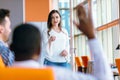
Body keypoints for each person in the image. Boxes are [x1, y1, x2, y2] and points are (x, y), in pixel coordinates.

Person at [10, 4, 113, 80]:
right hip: (50, 62)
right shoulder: (55, 74)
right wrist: (92, 36)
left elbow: (67, 45)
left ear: (11, 48)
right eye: (53, 18)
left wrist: (66, 52)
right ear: (38, 50)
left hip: (63, 61)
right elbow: (104, 78)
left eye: (57, 17)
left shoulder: (65, 31)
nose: (55, 19)